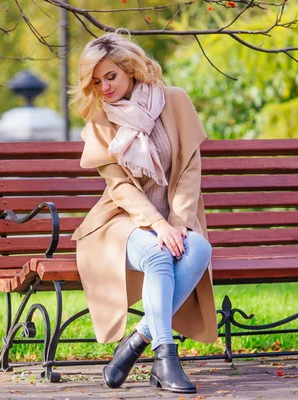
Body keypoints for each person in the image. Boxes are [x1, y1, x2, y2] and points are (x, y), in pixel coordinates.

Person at [70, 32, 217, 394]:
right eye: (96, 80)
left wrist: (177, 225)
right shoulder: (100, 122)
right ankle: (165, 357)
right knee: (157, 255)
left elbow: (188, 171)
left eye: (111, 77)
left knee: (199, 249)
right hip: (120, 223)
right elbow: (120, 189)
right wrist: (157, 225)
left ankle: (137, 340)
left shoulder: (174, 101)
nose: (104, 87)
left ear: (131, 70)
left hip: (173, 217)